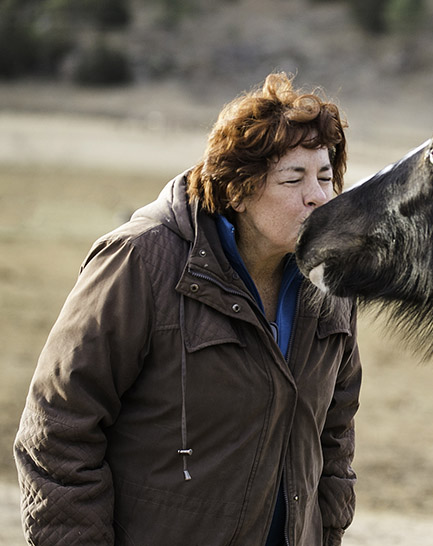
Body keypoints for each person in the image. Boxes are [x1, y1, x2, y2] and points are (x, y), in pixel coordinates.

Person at [14, 73, 361, 546]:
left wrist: (327, 531)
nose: (318, 196)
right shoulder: (141, 261)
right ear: (238, 190)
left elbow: (335, 438)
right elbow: (58, 426)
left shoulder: (332, 284)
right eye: (293, 179)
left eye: (325, 177)